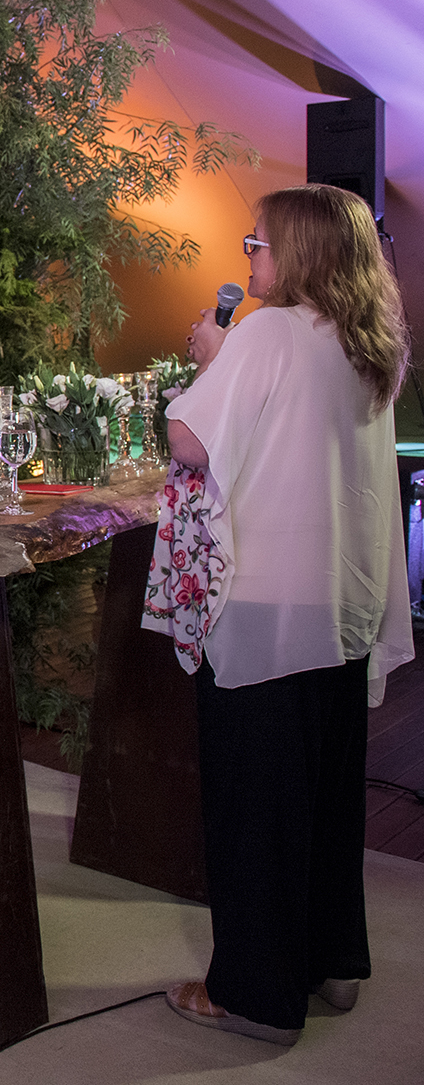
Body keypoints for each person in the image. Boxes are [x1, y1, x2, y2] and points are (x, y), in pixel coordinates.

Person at [154, 185, 414, 1046]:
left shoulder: (265, 333)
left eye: (257, 244)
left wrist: (208, 361)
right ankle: (332, 960)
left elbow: (191, 440)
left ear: (299, 253)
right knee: (326, 793)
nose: (247, 259)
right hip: (341, 599)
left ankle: (256, 996)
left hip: (265, 600)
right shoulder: (369, 340)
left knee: (257, 801)